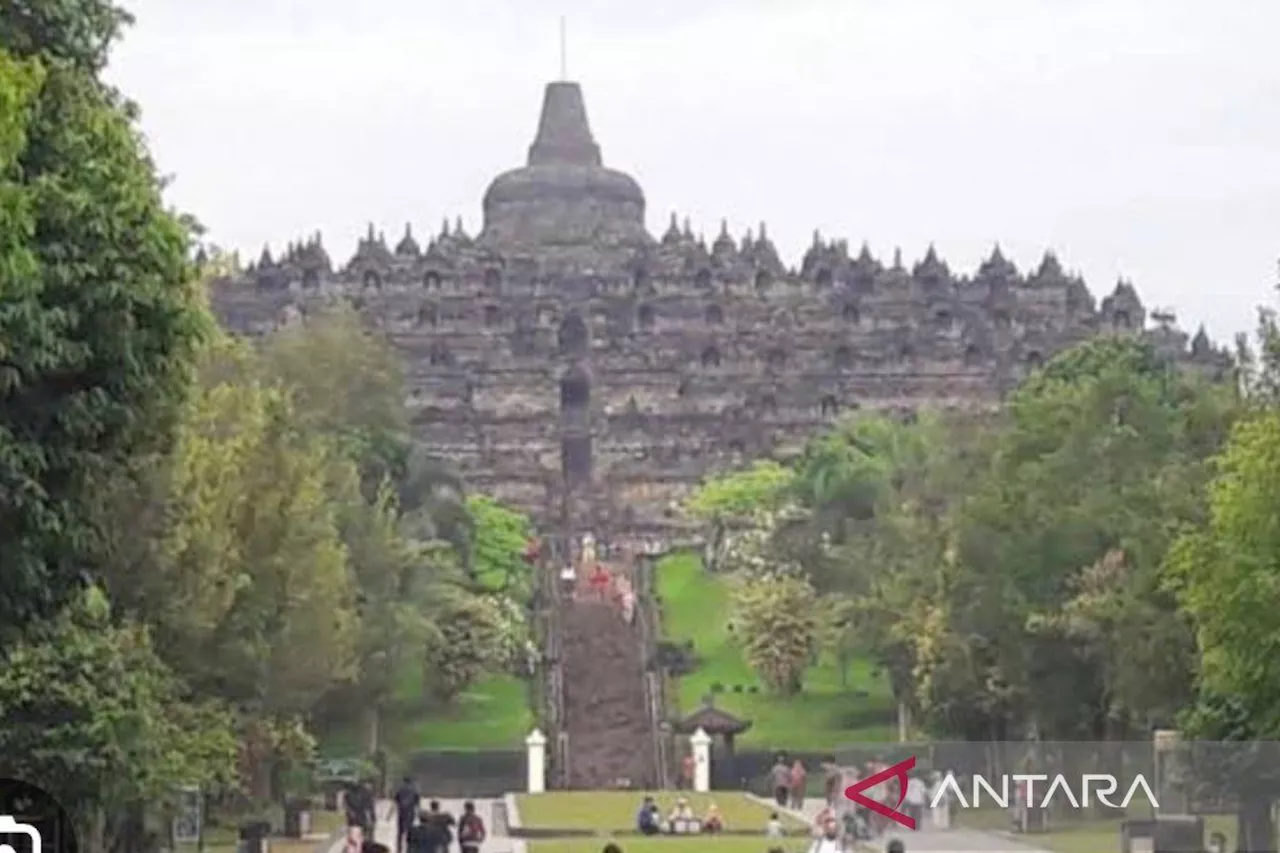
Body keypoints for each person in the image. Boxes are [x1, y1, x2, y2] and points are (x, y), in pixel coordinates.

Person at [392, 776, 420, 853]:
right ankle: (409, 849)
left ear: (404, 781)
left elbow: (394, 803)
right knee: (410, 832)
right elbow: (417, 804)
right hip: (410, 814)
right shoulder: (414, 790)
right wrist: (419, 815)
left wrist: (389, 815)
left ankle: (398, 849)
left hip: (401, 813)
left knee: (400, 832)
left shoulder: (400, 790)